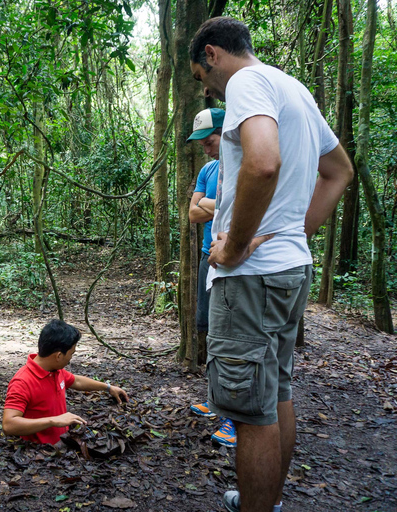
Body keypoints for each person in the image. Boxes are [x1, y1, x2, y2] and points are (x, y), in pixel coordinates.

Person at [189, 17, 353, 512]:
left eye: (202, 78)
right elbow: (338, 170)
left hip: (252, 277)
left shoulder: (246, 81)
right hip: (288, 269)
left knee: (250, 410)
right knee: (275, 391)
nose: (211, 91)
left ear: (213, 54)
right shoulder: (294, 88)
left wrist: (236, 246)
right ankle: (267, 501)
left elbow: (263, 162)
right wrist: (297, 234)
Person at [186, 108, 236, 448]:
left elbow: (244, 207)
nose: (205, 148)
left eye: (210, 141)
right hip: (208, 257)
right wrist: (224, 205)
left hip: (237, 261)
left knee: (236, 338)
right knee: (212, 331)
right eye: (201, 143)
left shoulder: (243, 164)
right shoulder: (208, 169)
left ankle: (235, 417)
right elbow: (192, 213)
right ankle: (216, 399)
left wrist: (211, 205)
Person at [2, 319, 129, 445]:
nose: (70, 359)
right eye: (71, 354)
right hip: (39, 453)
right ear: (58, 356)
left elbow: (77, 381)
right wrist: (53, 421)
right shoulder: (22, 382)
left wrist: (108, 387)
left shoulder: (55, 370)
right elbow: (9, 425)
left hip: (63, 445)